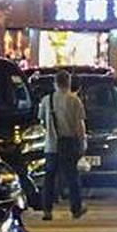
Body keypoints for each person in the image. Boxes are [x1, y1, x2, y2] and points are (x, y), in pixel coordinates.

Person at [38, 71, 89, 220]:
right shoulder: (74, 100)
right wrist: (82, 142)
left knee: (49, 178)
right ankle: (76, 208)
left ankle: (47, 210)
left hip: (51, 145)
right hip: (68, 143)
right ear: (68, 82)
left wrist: (50, 133)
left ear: (55, 82)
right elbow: (80, 125)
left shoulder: (47, 100)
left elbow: (42, 122)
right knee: (72, 177)